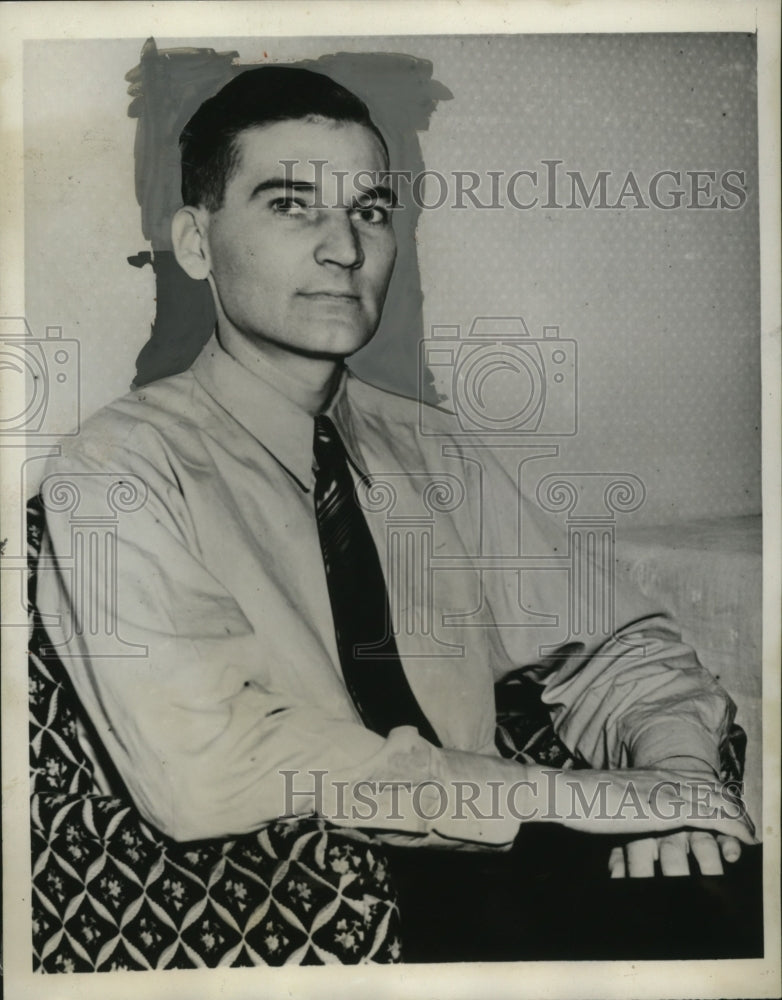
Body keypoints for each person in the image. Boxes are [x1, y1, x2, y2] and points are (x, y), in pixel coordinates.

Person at [34, 66, 759, 965]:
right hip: (313, 916)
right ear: (195, 242)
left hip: (507, 872)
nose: (345, 246)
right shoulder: (120, 467)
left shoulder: (432, 448)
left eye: (372, 210)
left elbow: (622, 650)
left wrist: (675, 781)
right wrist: (581, 799)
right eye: (293, 204)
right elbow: (206, 770)